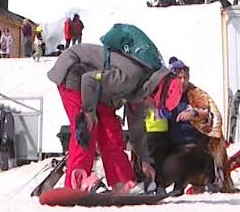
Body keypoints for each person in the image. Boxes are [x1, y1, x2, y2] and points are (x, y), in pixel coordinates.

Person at [46, 39, 170, 192]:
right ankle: (77, 182)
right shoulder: (130, 78)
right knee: (86, 127)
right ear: (155, 94)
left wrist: (145, 160)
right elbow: (88, 79)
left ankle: (122, 182)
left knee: (112, 131)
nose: (155, 107)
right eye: (158, 103)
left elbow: (137, 130)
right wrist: (88, 111)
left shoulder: (140, 92)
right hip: (74, 72)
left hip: (99, 89)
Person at [145, 59, 232, 193]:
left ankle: (209, 179)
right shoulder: (166, 96)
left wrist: (194, 113)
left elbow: (210, 114)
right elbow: (160, 114)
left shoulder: (196, 94)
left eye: (185, 78)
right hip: (176, 146)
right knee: (165, 156)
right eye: (179, 78)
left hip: (197, 144)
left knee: (197, 152)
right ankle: (160, 185)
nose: (182, 81)